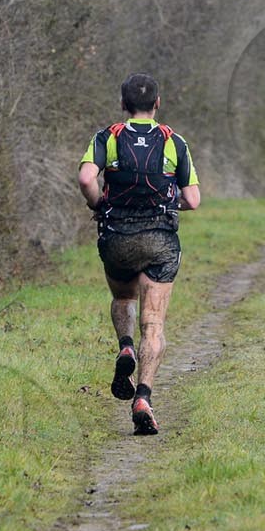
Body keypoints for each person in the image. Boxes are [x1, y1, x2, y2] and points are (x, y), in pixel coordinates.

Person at [77, 73, 200, 435]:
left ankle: (126, 347)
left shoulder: (108, 137)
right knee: (154, 323)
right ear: (157, 103)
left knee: (122, 297)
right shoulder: (174, 141)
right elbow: (193, 200)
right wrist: (168, 202)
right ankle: (143, 397)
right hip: (160, 241)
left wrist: (99, 204)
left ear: (123, 103)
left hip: (117, 238)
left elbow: (86, 178)